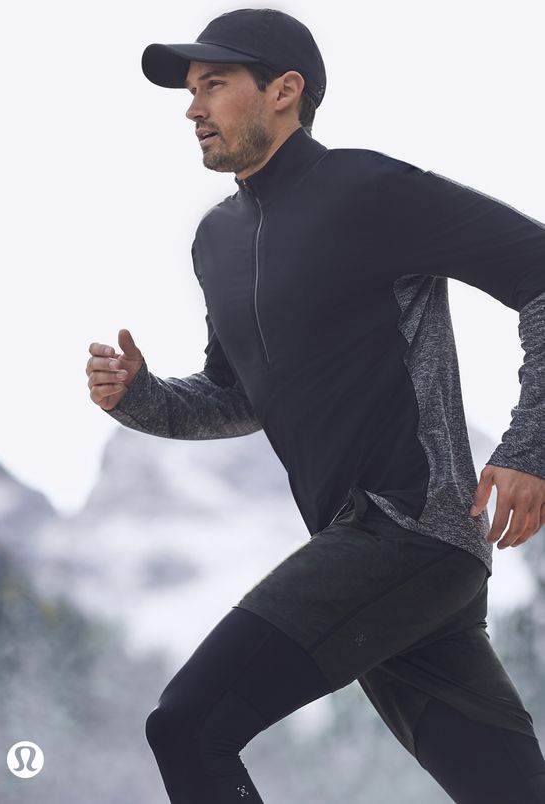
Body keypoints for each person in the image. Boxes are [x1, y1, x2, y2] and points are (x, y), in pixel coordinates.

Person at [86, 8, 545, 803]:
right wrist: (142, 398)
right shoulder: (215, 243)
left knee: (188, 726)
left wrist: (529, 446)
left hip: (409, 526)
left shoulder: (371, 191)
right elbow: (238, 398)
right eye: (190, 91)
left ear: (285, 91)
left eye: (214, 85)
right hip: (374, 553)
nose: (193, 108)